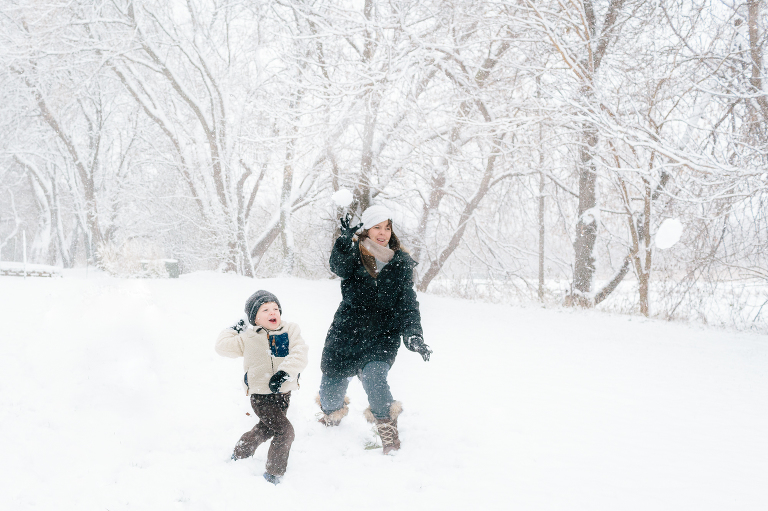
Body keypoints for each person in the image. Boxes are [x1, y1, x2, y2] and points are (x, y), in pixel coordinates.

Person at [317, 204, 432, 454]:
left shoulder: (401, 263)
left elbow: (407, 303)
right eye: (377, 227)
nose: (383, 233)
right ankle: (330, 416)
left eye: (387, 227)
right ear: (366, 230)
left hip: (382, 334)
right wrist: (343, 241)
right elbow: (339, 267)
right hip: (346, 333)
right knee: (329, 396)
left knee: (374, 379)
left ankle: (388, 432)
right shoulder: (354, 255)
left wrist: (413, 335)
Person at [215, 290, 308, 484]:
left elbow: (300, 353)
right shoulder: (247, 338)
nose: (272, 312)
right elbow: (221, 347)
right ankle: (274, 473)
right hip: (260, 397)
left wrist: (284, 372)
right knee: (285, 431)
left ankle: (240, 452)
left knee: (265, 429)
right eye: (265, 309)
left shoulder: (290, 330)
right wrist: (234, 329)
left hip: (283, 394)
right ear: (255, 318)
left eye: (275, 308)